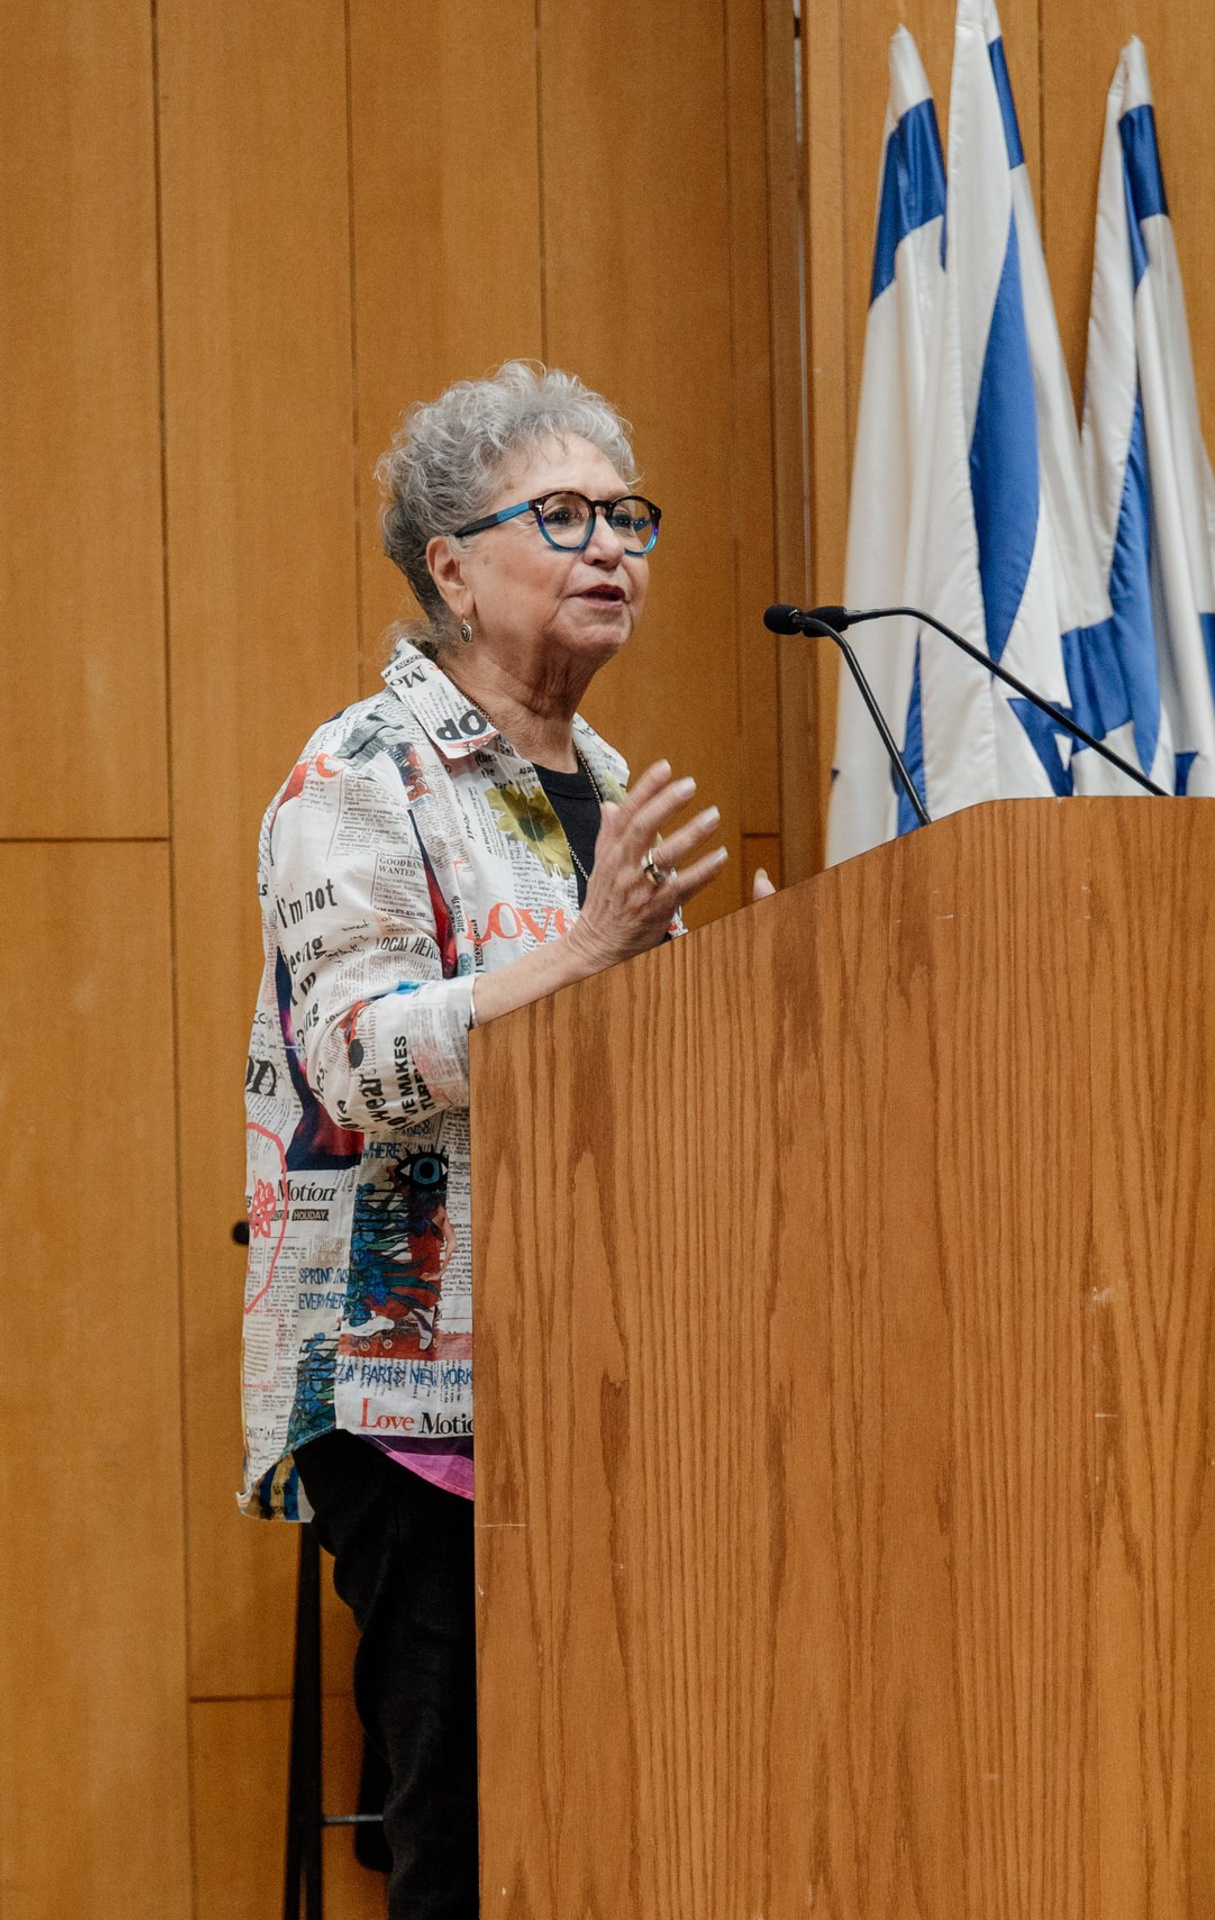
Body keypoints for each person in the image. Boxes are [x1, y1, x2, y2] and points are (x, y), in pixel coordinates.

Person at [238, 361, 767, 1918]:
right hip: (420, 1406)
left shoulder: (608, 790)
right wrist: (586, 959)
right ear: (450, 565)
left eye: (630, 517)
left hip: (609, 1390)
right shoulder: (360, 773)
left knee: (616, 1833)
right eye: (564, 515)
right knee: (468, 1852)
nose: (614, 548)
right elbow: (354, 1062)